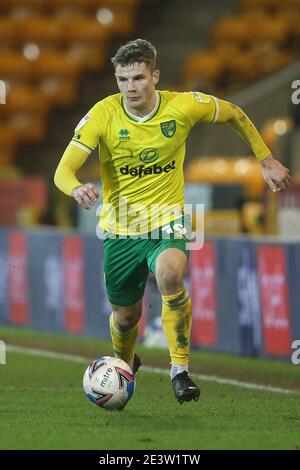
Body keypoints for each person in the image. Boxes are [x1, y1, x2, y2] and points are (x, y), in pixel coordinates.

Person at [54, 39, 290, 404]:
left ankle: (179, 370)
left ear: (155, 76)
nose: (130, 88)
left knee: (169, 275)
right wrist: (75, 189)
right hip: (120, 228)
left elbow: (234, 113)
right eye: (122, 80)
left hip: (170, 219)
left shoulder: (183, 105)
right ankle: (125, 360)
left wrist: (266, 158)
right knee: (125, 318)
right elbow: (63, 170)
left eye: (138, 78)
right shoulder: (102, 114)